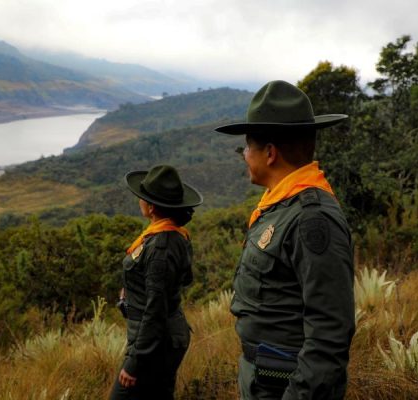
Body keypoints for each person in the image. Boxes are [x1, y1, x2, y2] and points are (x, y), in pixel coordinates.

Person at [214, 80, 355, 399]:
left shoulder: (312, 219)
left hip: (284, 385)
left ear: (270, 153)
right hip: (264, 377)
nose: (244, 155)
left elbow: (330, 336)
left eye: (247, 146)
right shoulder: (281, 206)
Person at [109, 164, 203, 400]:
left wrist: (135, 362)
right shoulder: (174, 235)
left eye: (142, 198)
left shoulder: (161, 245)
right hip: (163, 338)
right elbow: (182, 280)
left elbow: (156, 310)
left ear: (150, 207)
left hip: (156, 343)